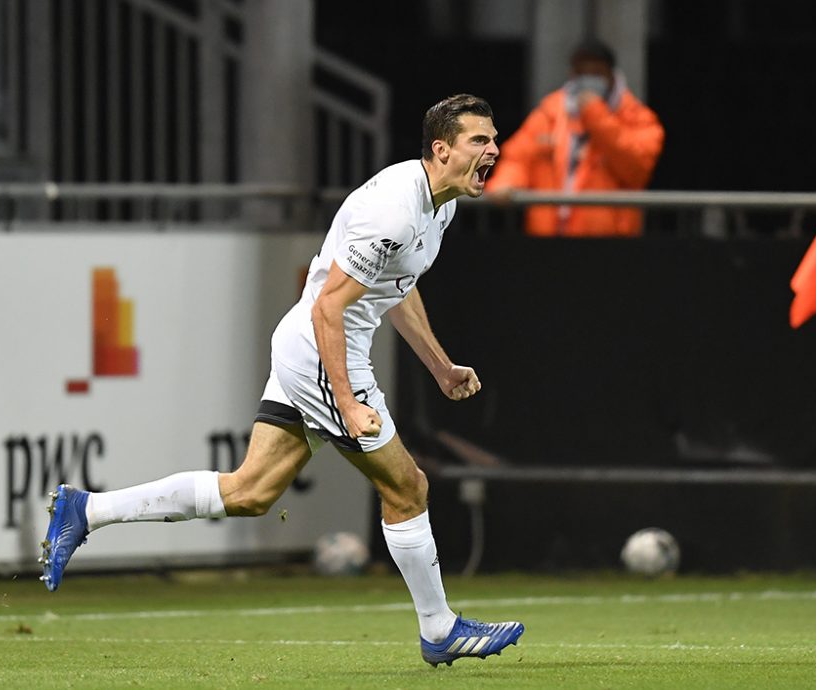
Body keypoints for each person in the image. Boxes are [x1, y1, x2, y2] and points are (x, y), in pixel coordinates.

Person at [39, 93, 524, 667]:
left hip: (309, 344)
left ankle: (86, 509)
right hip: (321, 351)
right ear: (441, 149)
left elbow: (399, 283)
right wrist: (346, 401)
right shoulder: (395, 209)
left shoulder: (436, 203)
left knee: (250, 492)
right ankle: (439, 628)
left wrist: (439, 366)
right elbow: (329, 309)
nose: (494, 150)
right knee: (408, 487)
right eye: (479, 140)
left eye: (494, 139)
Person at [487, 39, 665, 237]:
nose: (588, 80)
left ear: (611, 76)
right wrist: (505, 183)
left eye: (596, 74)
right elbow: (518, 157)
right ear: (572, 75)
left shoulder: (637, 117)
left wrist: (595, 114)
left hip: (610, 243)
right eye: (582, 73)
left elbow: (637, 167)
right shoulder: (550, 113)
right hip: (549, 238)